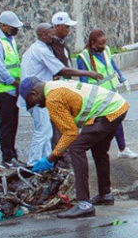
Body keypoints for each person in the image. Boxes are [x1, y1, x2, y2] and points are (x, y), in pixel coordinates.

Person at [20, 77, 128, 219]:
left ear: (34, 94)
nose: (36, 105)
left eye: (31, 102)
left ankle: (84, 204)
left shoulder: (52, 98)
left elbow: (70, 133)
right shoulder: (54, 86)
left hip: (107, 112)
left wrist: (51, 157)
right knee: (99, 150)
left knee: (76, 148)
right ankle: (105, 194)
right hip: (117, 106)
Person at [20, 23, 103, 163]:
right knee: (43, 132)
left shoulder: (37, 48)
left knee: (46, 132)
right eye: (50, 34)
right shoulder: (41, 50)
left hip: (37, 93)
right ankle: (33, 162)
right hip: (36, 95)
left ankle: (46, 162)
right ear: (43, 35)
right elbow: (62, 70)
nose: (53, 36)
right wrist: (88, 73)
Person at [76, 29, 138, 159]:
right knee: (98, 125)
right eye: (100, 45)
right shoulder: (84, 58)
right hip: (98, 99)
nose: (103, 47)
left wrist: (122, 78)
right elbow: (84, 81)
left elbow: (112, 65)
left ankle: (122, 148)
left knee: (116, 121)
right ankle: (91, 152)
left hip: (111, 94)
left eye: (104, 44)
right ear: (92, 43)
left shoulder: (106, 50)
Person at [0, 10, 25, 168]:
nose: (16, 30)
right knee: (7, 125)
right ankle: (7, 158)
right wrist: (13, 82)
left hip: (11, 89)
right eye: (13, 27)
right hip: (2, 90)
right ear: (3, 25)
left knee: (12, 123)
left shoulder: (10, 40)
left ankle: (11, 155)